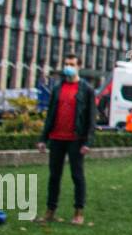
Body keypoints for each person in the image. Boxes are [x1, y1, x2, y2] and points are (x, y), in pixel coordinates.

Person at [35, 53, 96, 225]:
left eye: (71, 64)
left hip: (76, 139)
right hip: (57, 137)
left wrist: (88, 141)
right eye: (66, 63)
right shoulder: (57, 88)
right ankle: (50, 210)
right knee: (54, 176)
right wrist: (43, 138)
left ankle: (78, 212)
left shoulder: (86, 89)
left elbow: (91, 118)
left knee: (77, 176)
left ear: (79, 66)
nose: (68, 66)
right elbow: (50, 116)